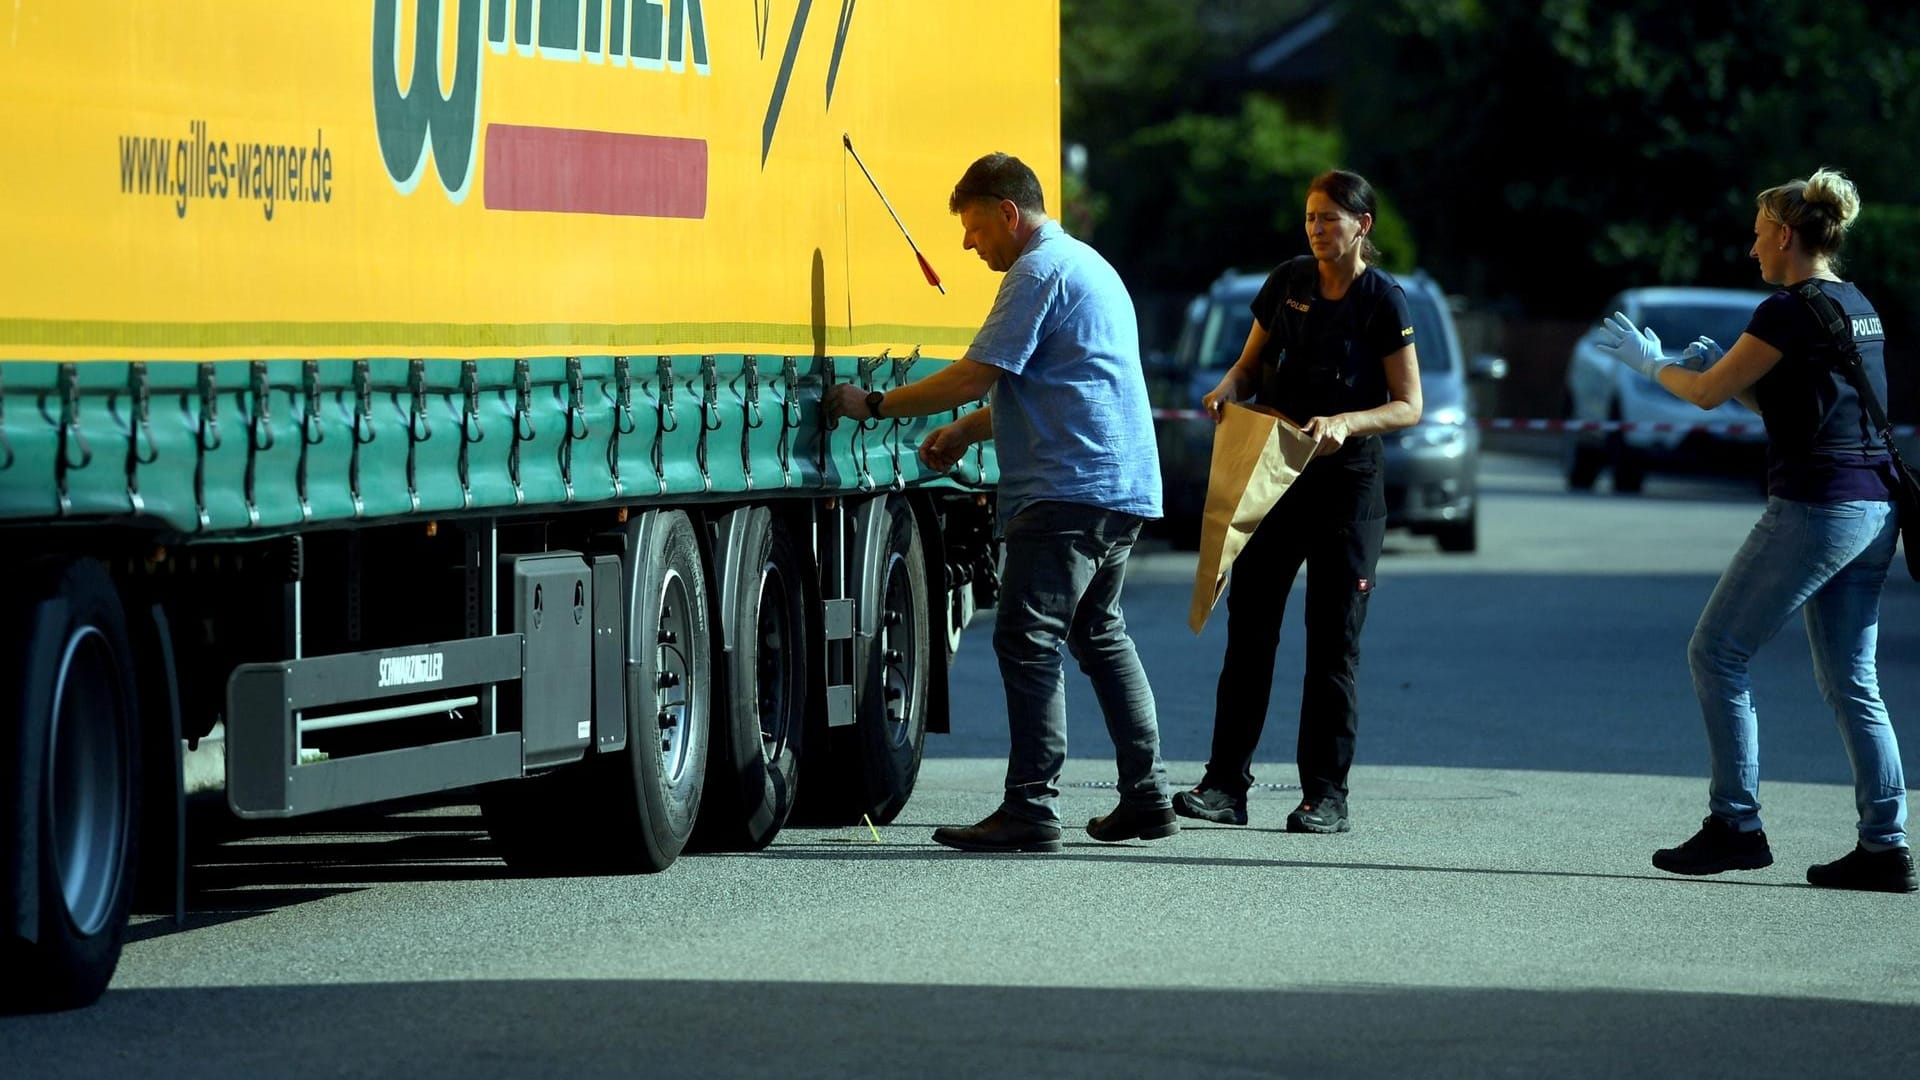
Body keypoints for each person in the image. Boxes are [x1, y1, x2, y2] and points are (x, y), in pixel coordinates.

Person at [823, 152, 1174, 853]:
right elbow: (1054, 382)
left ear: (1009, 214)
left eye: (976, 227)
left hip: (1066, 489)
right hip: (1118, 484)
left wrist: (876, 404)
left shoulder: (1036, 272)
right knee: (1100, 634)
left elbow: (978, 371)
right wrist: (964, 430)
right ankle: (1146, 795)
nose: (966, 244)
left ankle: (1031, 810)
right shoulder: (1088, 265)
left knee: (1027, 638)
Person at [1597, 168, 1914, 893]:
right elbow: (1797, 404)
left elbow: (1705, 397)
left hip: (1818, 505)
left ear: (1784, 234)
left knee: (1718, 652)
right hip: (1875, 506)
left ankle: (1735, 825)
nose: (1750, 249)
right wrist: (1721, 372)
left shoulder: (1786, 309)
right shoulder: (1855, 303)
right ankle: (1884, 846)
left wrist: (1656, 366)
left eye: (1757, 233)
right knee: (1853, 681)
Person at [1171, 170, 1422, 834]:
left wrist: (1346, 423)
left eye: (1331, 218)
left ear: (1362, 226)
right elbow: (1251, 364)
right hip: (1275, 476)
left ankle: (1326, 795)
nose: (1317, 229)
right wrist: (1228, 387)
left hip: (1348, 491)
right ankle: (1226, 786)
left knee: (1332, 643)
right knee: (1250, 632)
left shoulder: (1383, 300)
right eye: (1311, 217)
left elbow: (1409, 405)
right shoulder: (1288, 282)